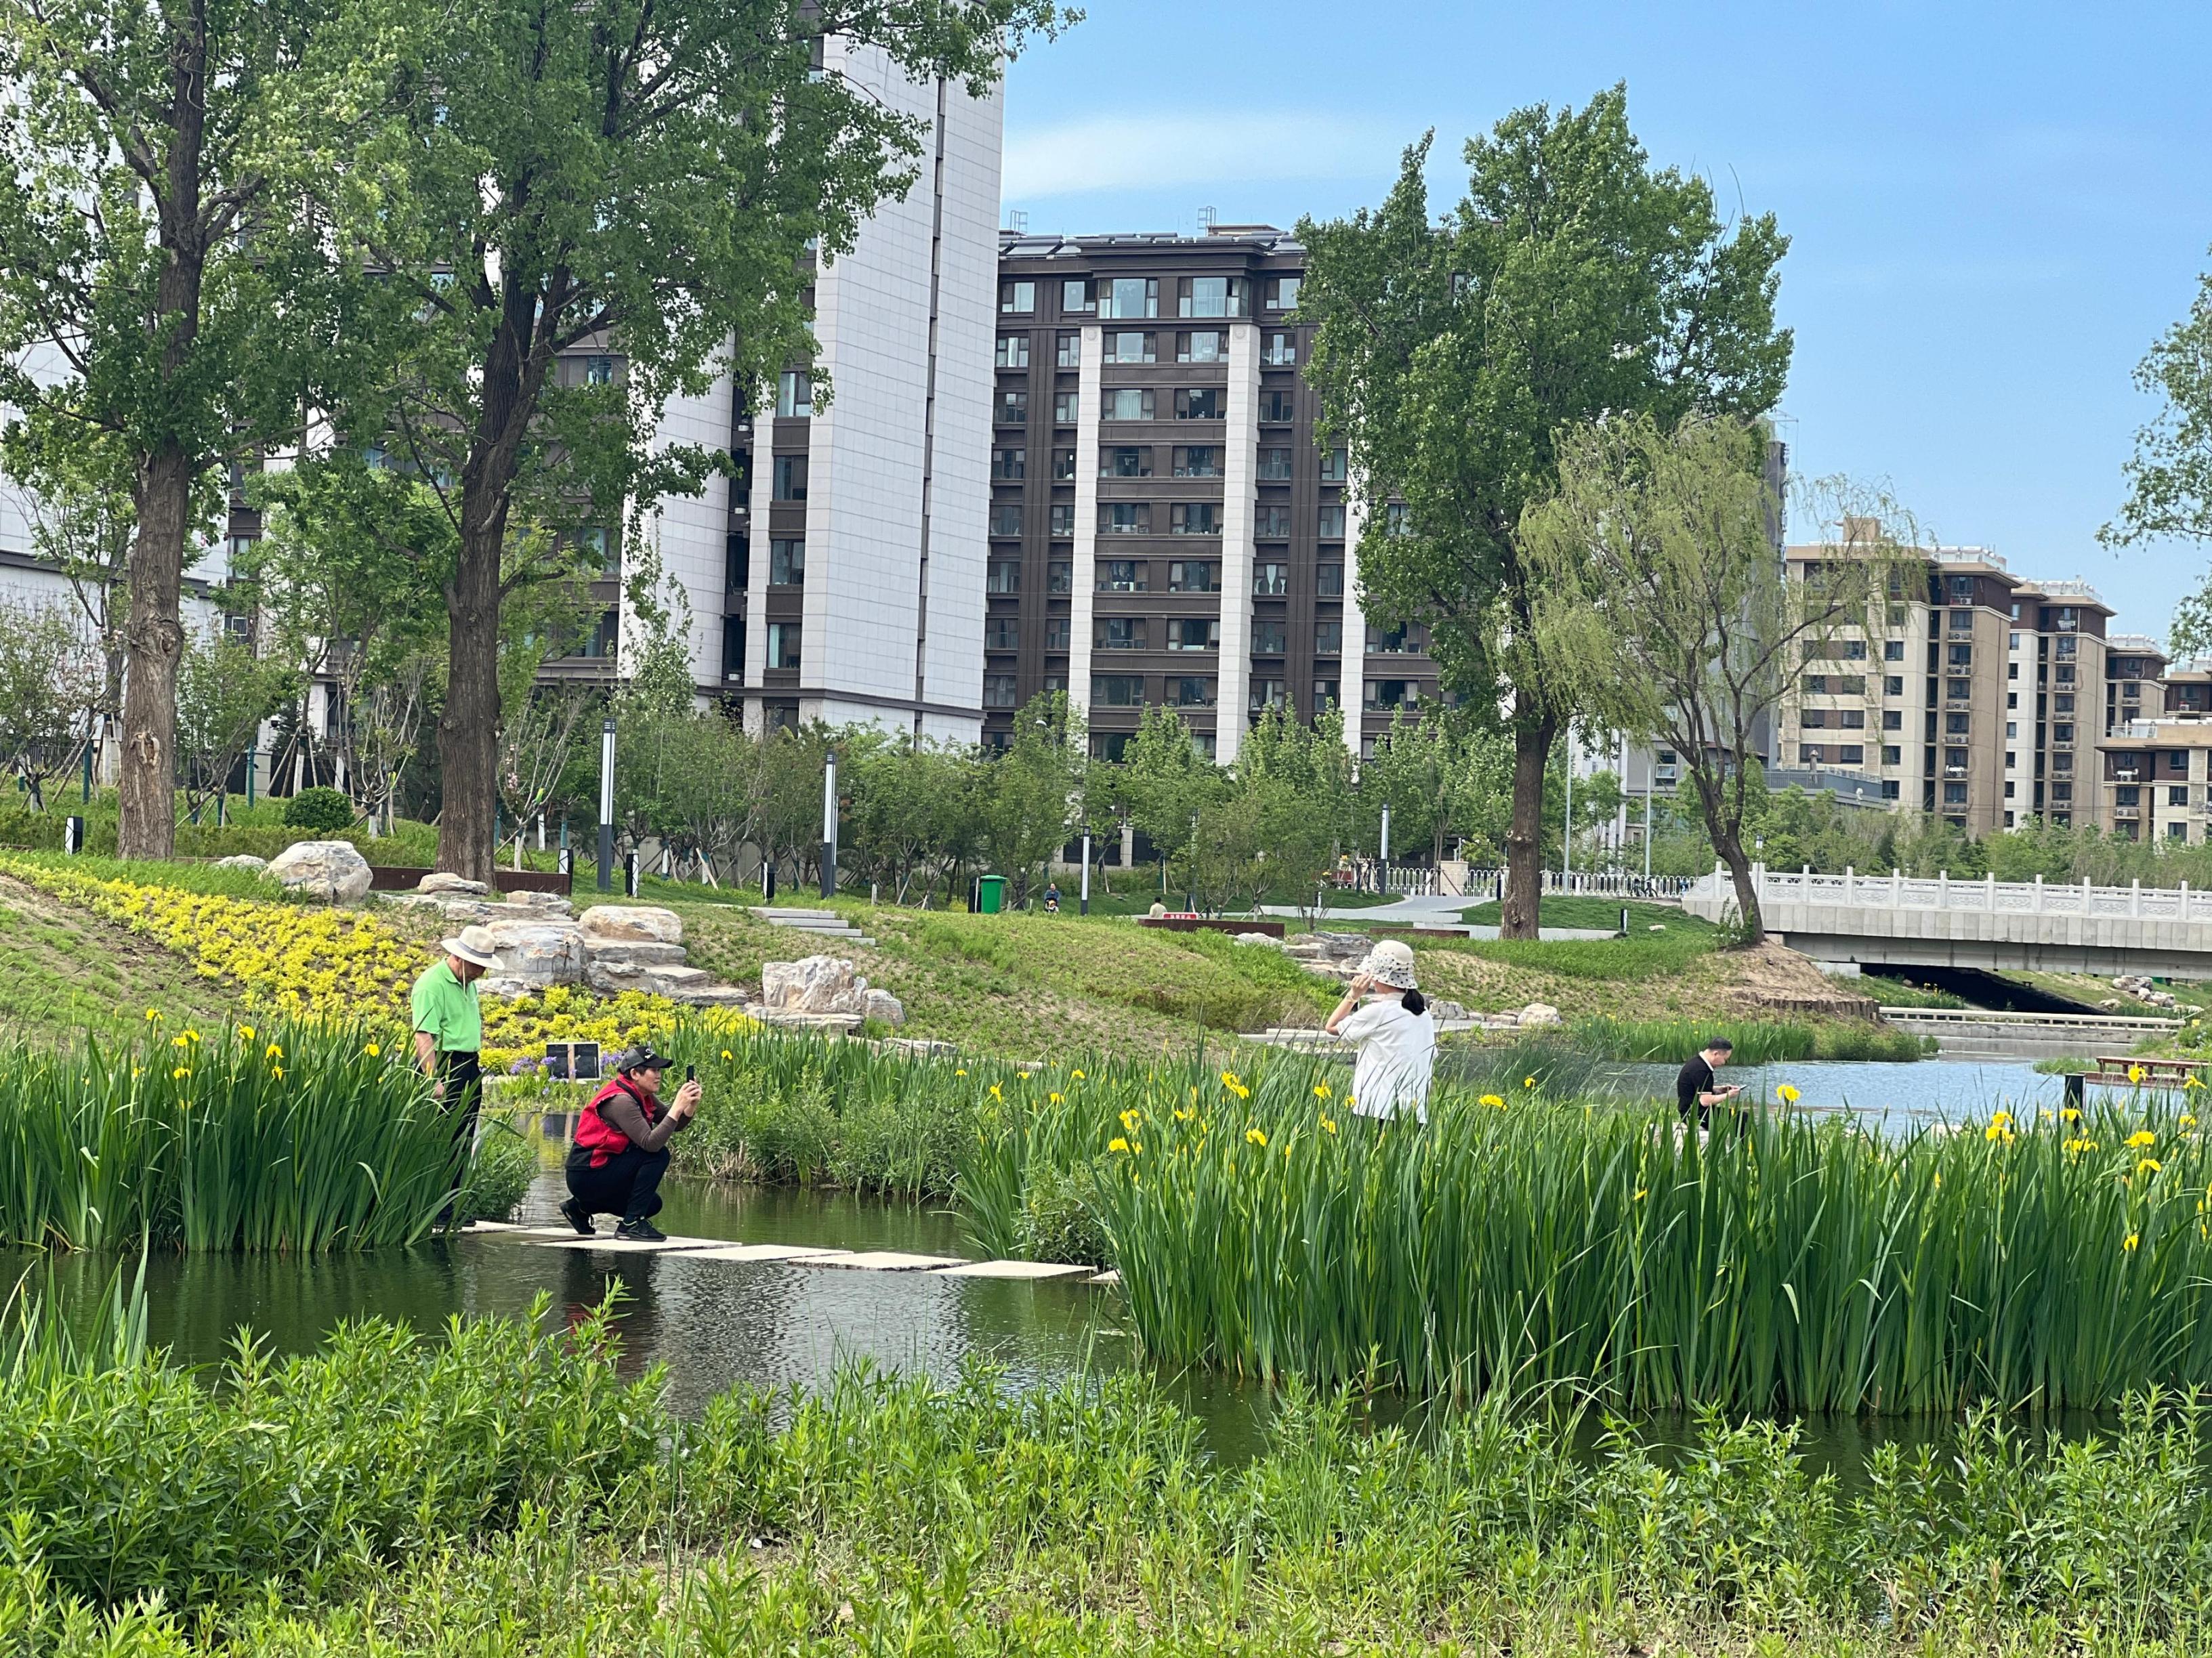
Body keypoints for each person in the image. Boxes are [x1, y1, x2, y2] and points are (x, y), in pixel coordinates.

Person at [562, 1045, 701, 1241]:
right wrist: (677, 1106)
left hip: (602, 1170)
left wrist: (689, 1106)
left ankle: (580, 1208)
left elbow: (675, 1125)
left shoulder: (643, 1096)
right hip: (586, 1174)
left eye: (659, 1070)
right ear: (635, 1073)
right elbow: (650, 1144)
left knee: (652, 1204)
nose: (659, 1075)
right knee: (658, 1155)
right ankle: (630, 1225)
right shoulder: (621, 1101)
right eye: (654, 1070)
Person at [411, 925, 499, 1220]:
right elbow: (424, 1035)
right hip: (444, 1065)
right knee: (440, 1136)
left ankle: (452, 1205)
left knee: (463, 1137)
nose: (481, 973)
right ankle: (434, 1207)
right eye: (477, 965)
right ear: (458, 958)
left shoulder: (467, 982)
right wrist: (432, 1078)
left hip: (468, 1064)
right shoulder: (431, 984)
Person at [1323, 938, 1437, 1124]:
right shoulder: (1424, 1016)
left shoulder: (1378, 1012)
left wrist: (1353, 996)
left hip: (1376, 1111)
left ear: (1376, 976)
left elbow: (1332, 1027)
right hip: (1414, 1115)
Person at [1675, 1037, 1743, 1130]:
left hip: (1691, 1112)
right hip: (1696, 1116)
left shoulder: (1697, 1063)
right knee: (1743, 1120)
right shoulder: (1701, 1070)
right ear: (1716, 1054)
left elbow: (1697, 1088)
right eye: (1725, 1059)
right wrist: (1729, 1095)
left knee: (1739, 1116)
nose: (1724, 1063)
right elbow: (1705, 1101)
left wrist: (1719, 1089)